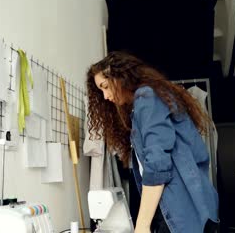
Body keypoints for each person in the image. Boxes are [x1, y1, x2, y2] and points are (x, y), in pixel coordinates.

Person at [86, 51, 218, 233]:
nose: (106, 96)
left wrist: (142, 225)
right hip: (185, 204)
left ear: (120, 77)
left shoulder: (147, 98)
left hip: (181, 208)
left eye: (106, 86)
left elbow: (157, 165)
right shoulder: (147, 101)